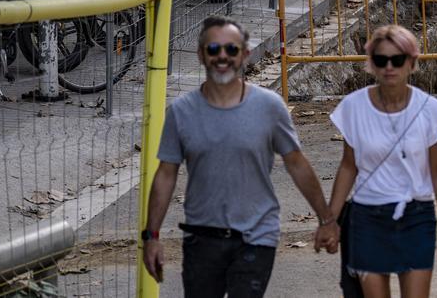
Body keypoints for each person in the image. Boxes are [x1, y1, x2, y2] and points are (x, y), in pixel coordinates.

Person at [141, 16, 339, 297]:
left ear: (244, 55)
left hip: (256, 236)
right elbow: (166, 173)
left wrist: (326, 220)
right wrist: (152, 236)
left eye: (231, 50)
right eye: (213, 49)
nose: (222, 56)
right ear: (201, 55)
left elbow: (296, 163)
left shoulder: (269, 106)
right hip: (201, 237)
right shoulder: (181, 112)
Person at [327, 25, 437, 298]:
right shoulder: (353, 108)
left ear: (411, 63)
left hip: (416, 217)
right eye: (380, 60)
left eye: (397, 60)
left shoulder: (431, 112)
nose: (389, 67)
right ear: (371, 64)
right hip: (367, 219)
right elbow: (348, 166)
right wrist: (329, 221)